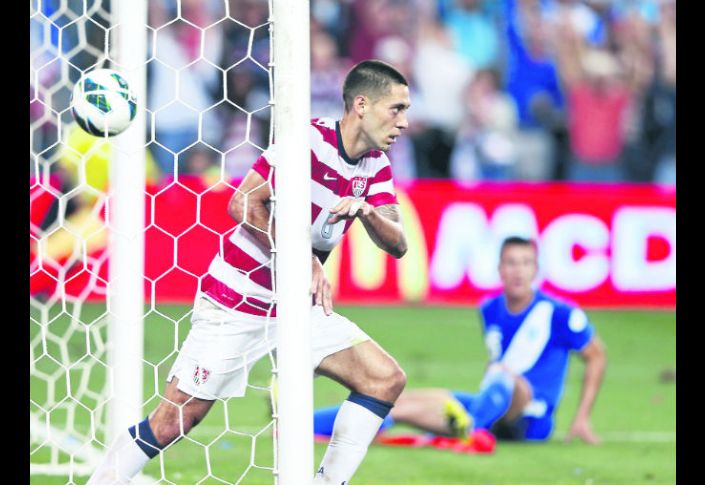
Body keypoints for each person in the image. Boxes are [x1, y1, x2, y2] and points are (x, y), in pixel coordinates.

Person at [87, 59, 411, 484]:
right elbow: (243, 203)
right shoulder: (306, 140)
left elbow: (398, 243)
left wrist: (367, 211)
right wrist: (302, 257)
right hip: (237, 299)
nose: (404, 122)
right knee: (174, 420)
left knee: (383, 379)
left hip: (296, 306)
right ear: (362, 105)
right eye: (397, 109)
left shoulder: (376, 166)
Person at [314, 236, 607, 447]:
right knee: (395, 401)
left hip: (531, 418)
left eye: (526, 263)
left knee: (503, 376)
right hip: (490, 406)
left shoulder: (559, 313)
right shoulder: (490, 308)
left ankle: (467, 433)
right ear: (499, 269)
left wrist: (582, 417)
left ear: (536, 269)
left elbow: (596, 355)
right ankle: (304, 425)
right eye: (511, 263)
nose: (519, 270)